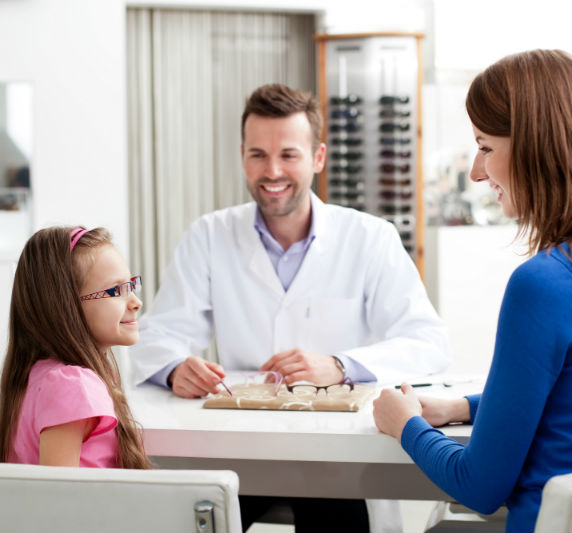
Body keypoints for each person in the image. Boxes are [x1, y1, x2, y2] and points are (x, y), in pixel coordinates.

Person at [372, 49, 572, 533]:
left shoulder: (545, 284)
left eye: (485, 147)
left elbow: (479, 487)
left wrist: (404, 424)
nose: (477, 172)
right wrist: (463, 407)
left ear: (536, 148)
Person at [130, 83, 450, 532]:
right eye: (258, 154)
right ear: (242, 156)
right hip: (239, 449)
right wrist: (174, 368)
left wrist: (341, 365)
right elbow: (160, 332)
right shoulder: (209, 235)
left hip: (336, 454)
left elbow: (429, 341)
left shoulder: (369, 237)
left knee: (340, 518)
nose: (272, 170)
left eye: (289, 155)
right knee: (193, 517)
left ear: (318, 158)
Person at [0, 226, 150, 469]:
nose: (136, 302)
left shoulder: (41, 375)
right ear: (67, 306)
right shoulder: (72, 384)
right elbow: (59, 497)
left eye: (131, 285)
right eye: (117, 290)